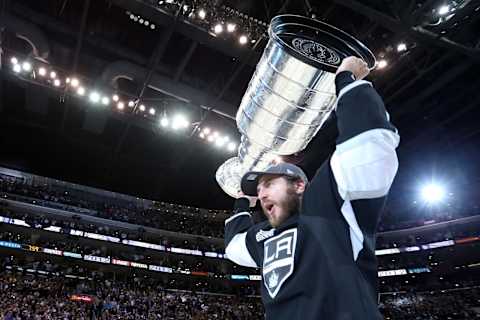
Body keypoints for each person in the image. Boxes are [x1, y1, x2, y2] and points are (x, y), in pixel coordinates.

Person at [224, 56, 400, 319]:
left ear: (299, 186)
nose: (261, 193)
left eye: (269, 184)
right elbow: (234, 247)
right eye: (259, 189)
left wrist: (347, 80)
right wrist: (242, 201)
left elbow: (370, 143)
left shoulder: (327, 205)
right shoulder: (263, 235)